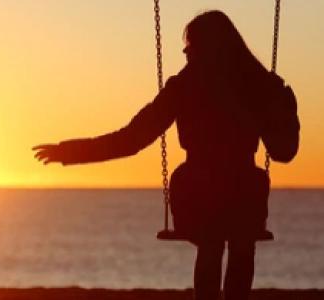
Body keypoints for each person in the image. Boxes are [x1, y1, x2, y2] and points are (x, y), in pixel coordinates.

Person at [33, 10, 299, 300]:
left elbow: (131, 140)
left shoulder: (185, 86)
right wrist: (282, 104)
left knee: (211, 243)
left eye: (188, 50)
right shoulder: (258, 85)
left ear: (200, 49)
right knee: (241, 242)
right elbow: (284, 151)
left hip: (198, 192)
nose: (186, 56)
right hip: (243, 196)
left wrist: (70, 151)